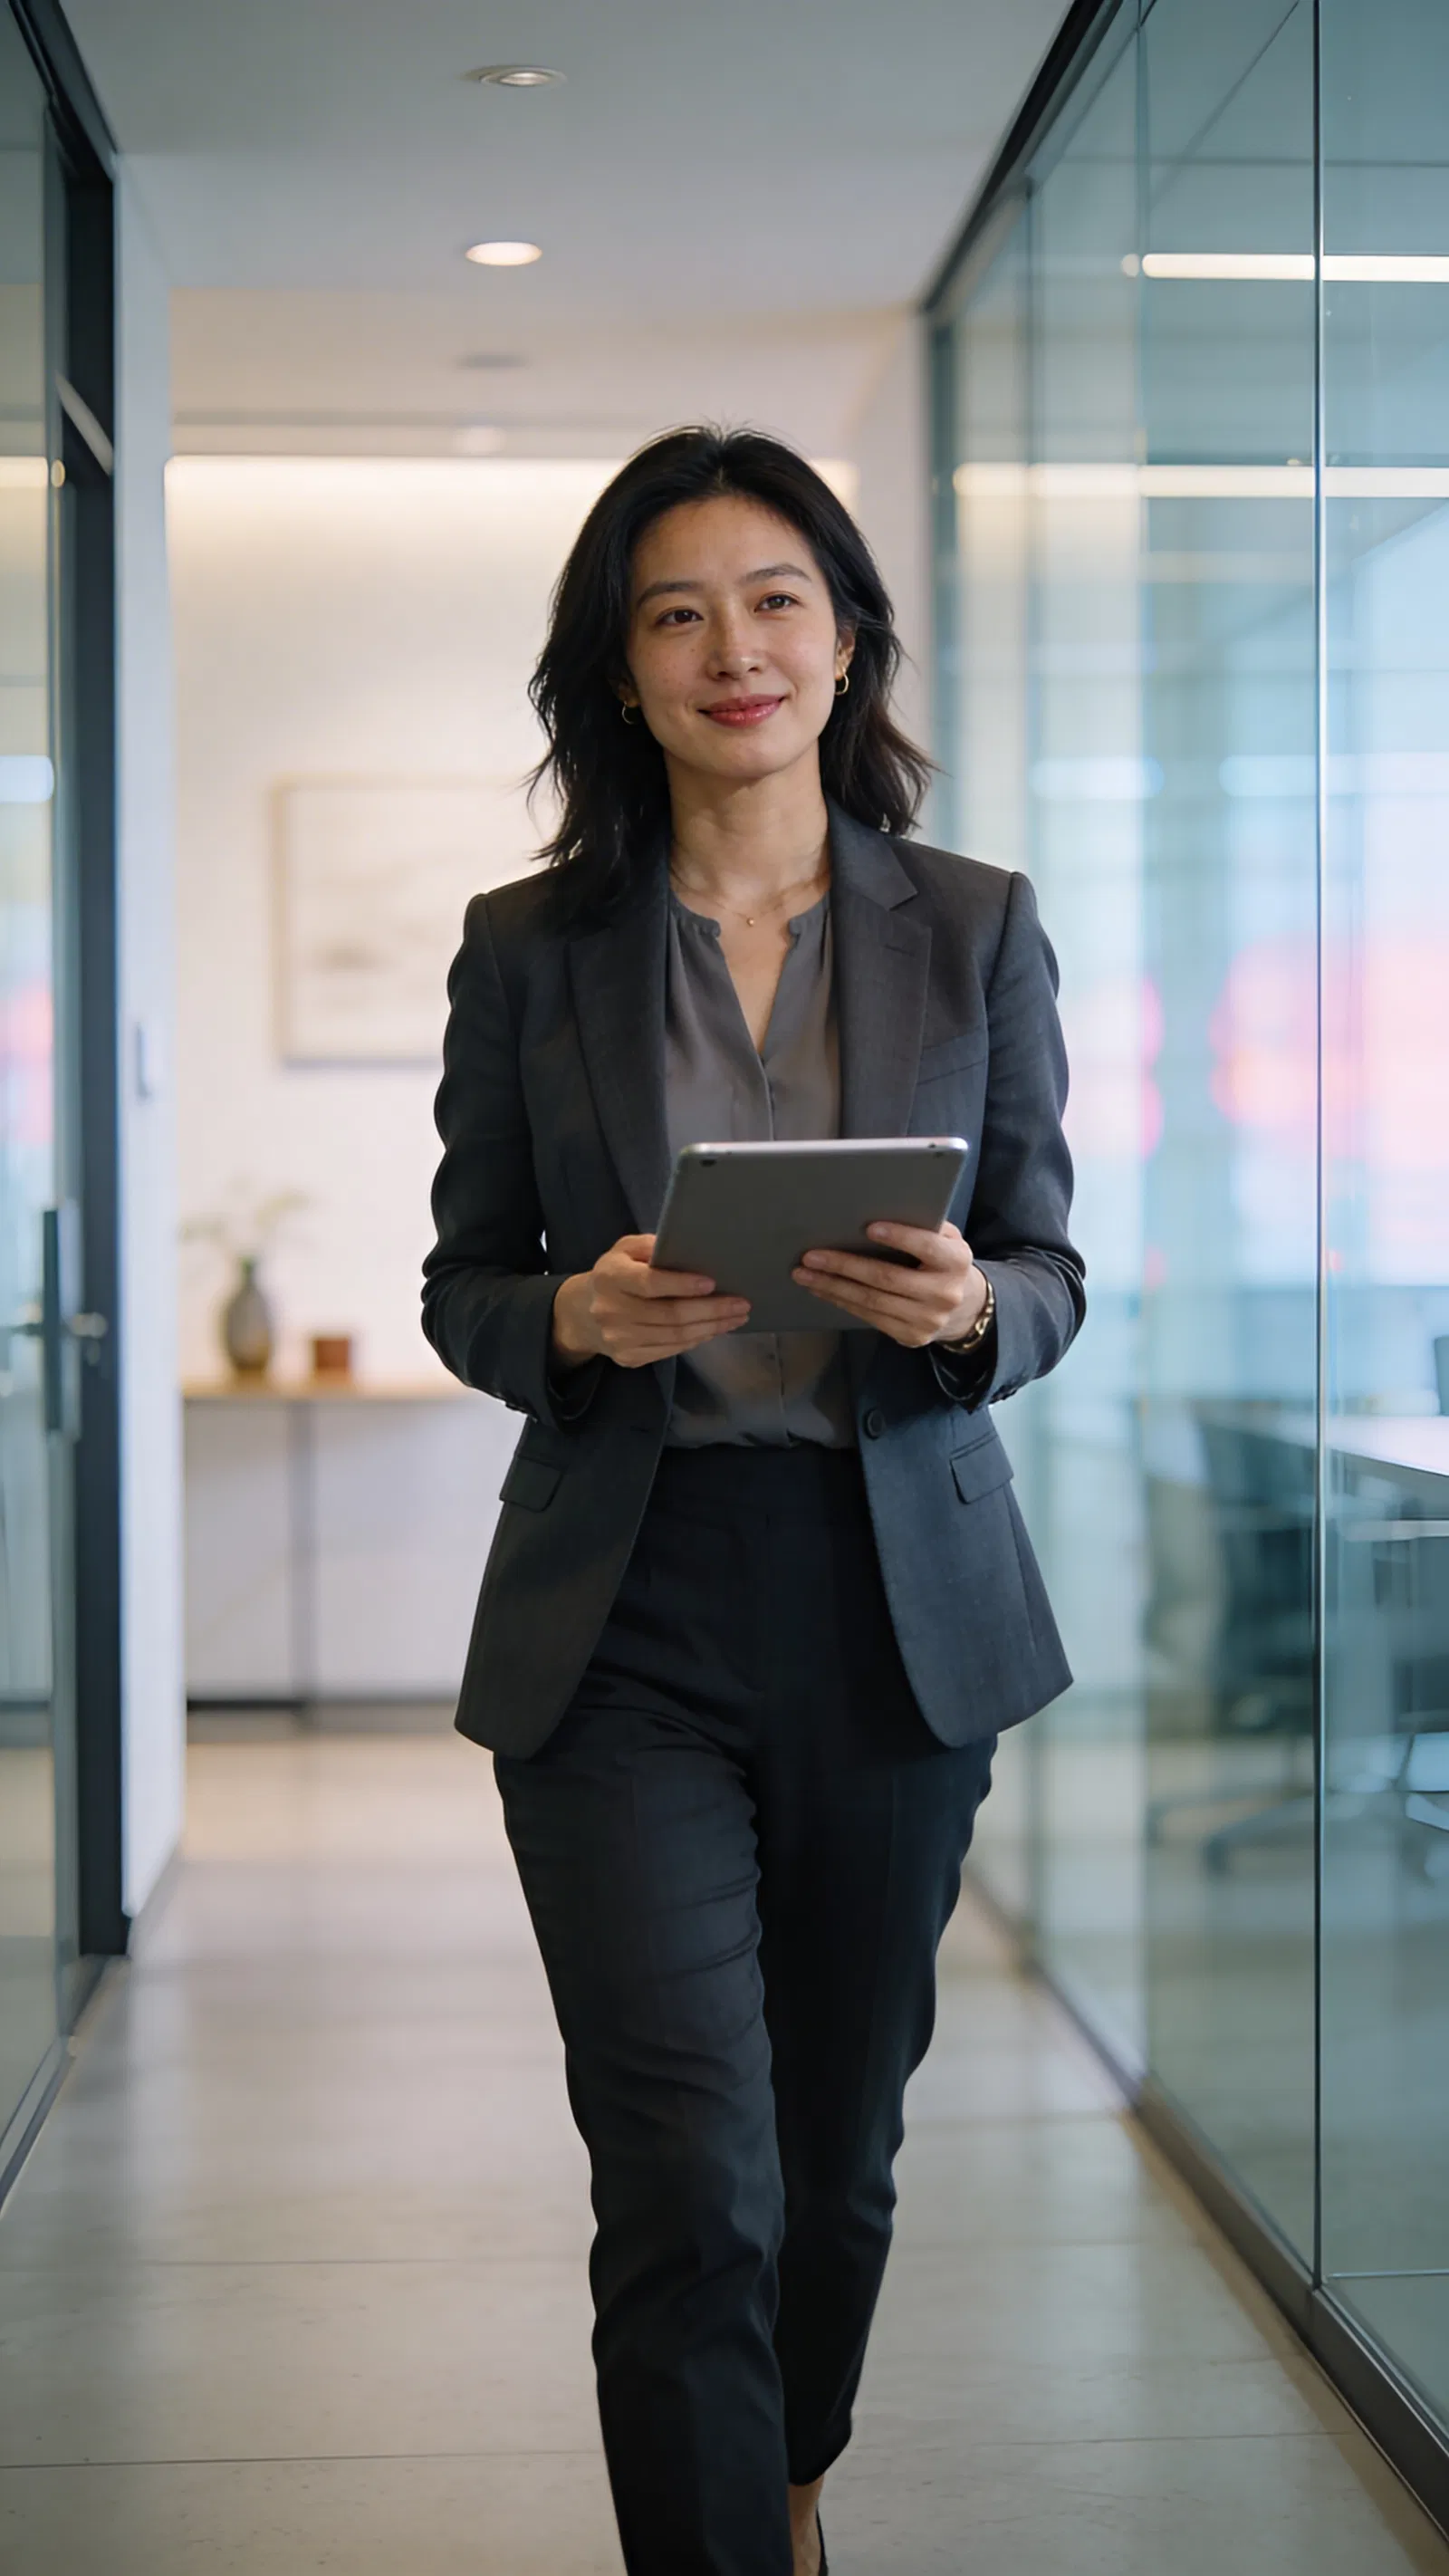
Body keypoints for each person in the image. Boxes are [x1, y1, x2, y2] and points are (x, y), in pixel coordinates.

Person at [422, 427, 1084, 2576]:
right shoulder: (530, 949)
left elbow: (1053, 1270)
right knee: (689, 2173)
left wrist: (973, 1302)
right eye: (676, 611)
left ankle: (784, 2476)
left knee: (830, 2166)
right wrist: (570, 1326)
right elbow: (464, 1283)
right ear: (617, 671)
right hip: (625, 1616)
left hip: (892, 1612)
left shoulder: (968, 926)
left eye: (775, 598)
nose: (735, 647)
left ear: (845, 634)